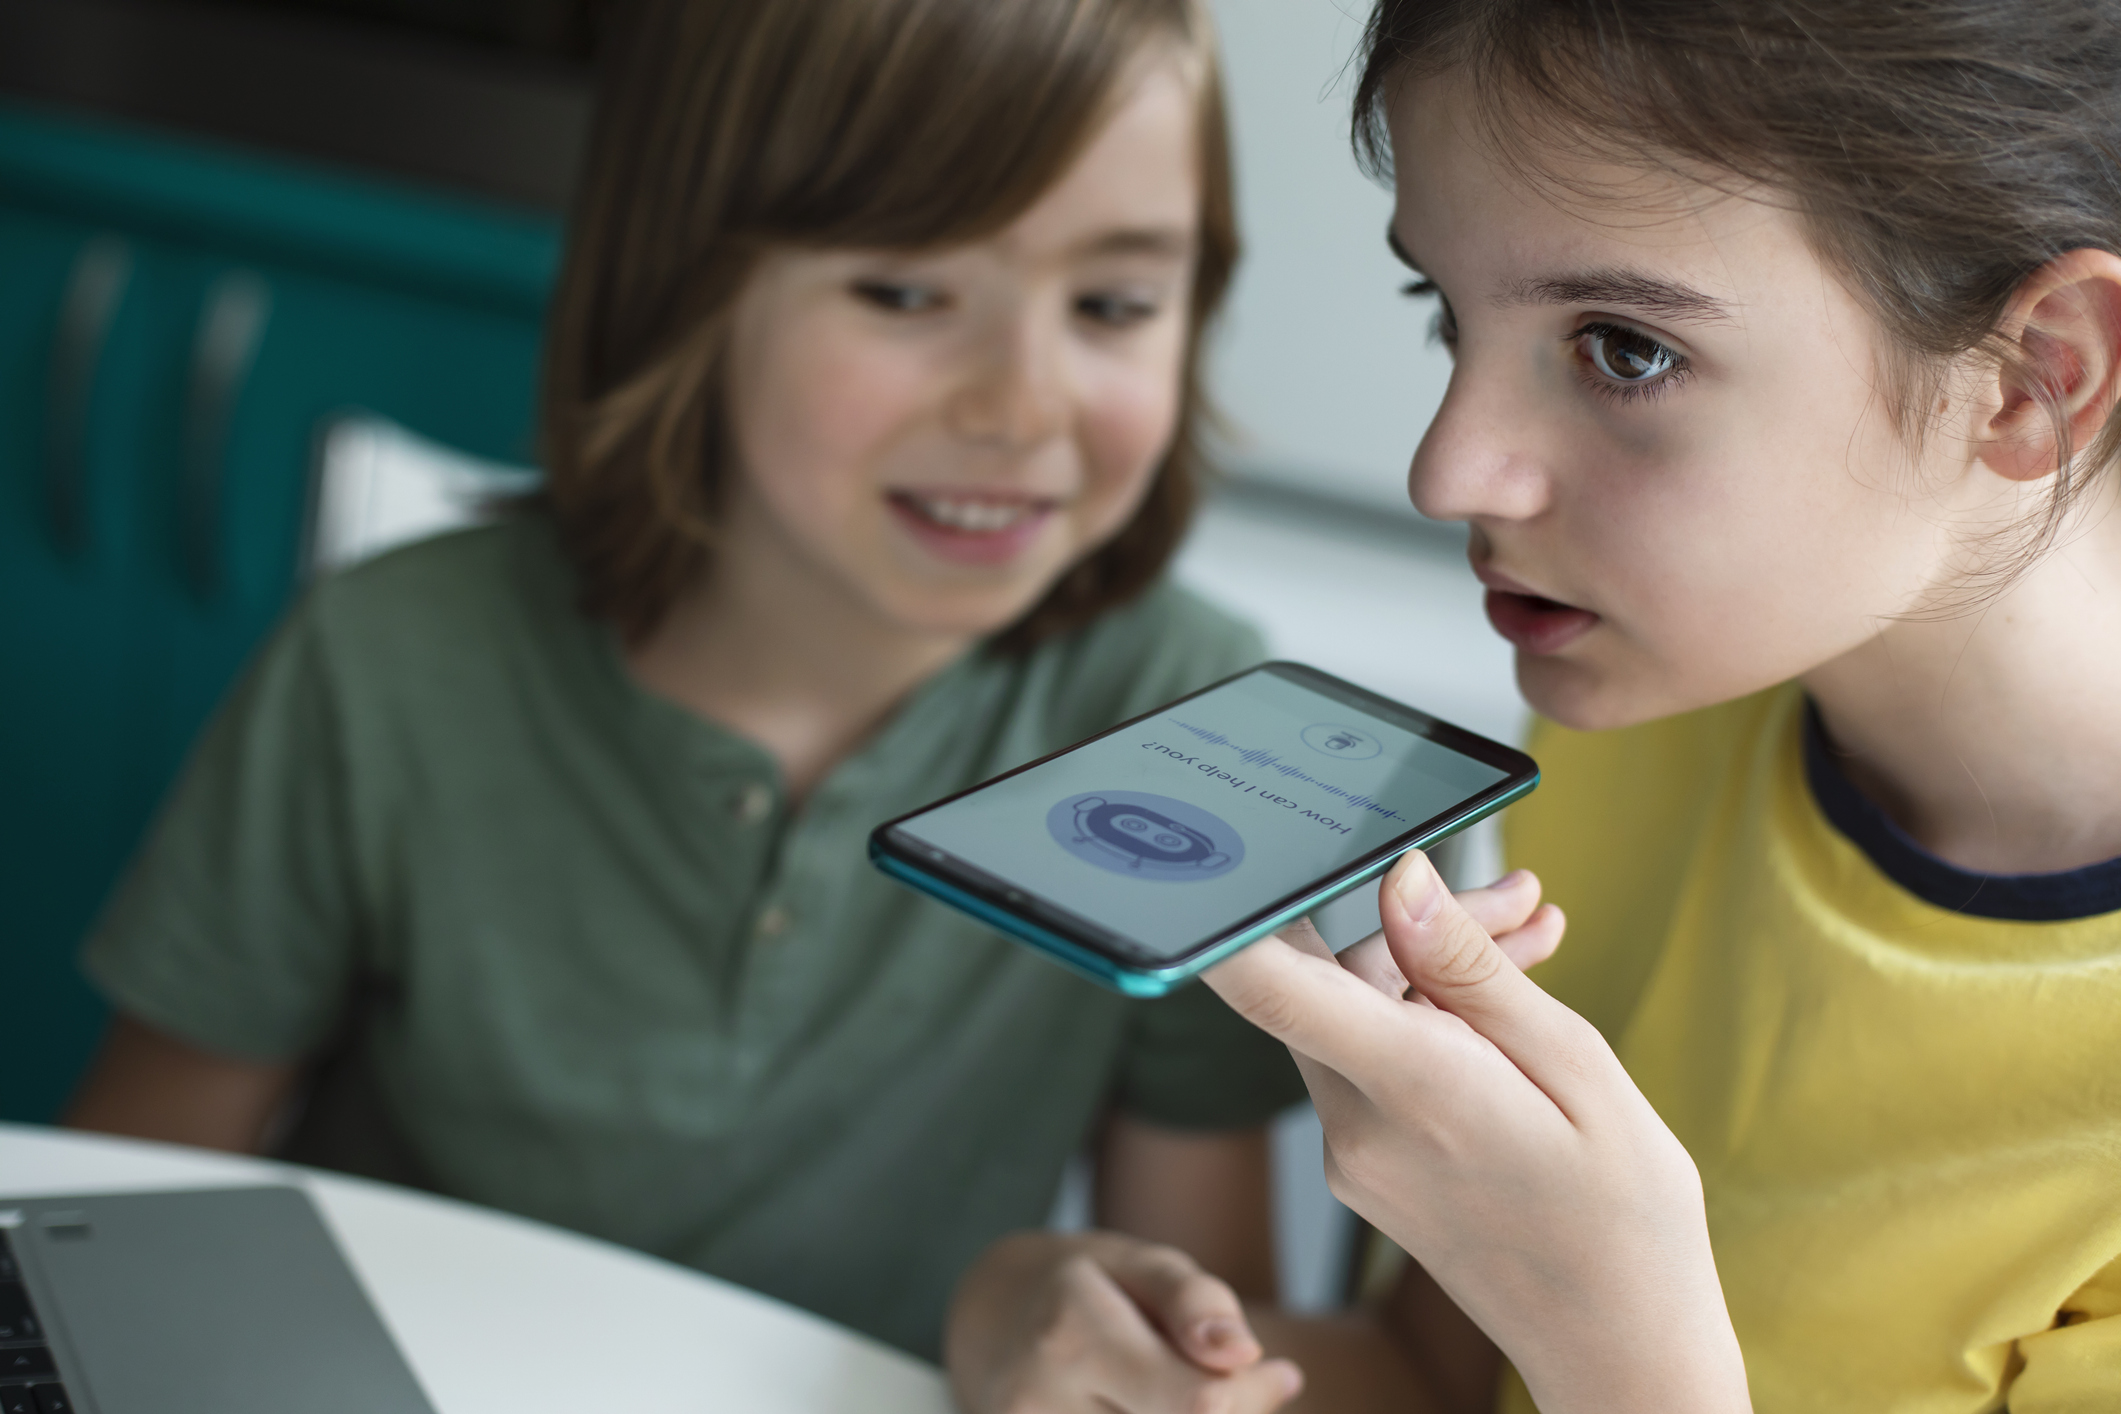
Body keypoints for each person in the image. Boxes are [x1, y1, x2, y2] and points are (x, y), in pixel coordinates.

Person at [54, 1, 1439, 1407]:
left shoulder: (1187, 724)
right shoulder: (381, 658)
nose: (1022, 408)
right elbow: (113, 1218)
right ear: (687, 286)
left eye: (1111, 305)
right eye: (905, 292)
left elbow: (1198, 1329)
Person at [1205, 2, 2121, 1411]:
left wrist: (1620, 1351)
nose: (1447, 471)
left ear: (2034, 374)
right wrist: (1117, 1346)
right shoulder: (1628, 729)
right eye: (1443, 315)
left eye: (1621, 348)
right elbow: (1432, 1380)